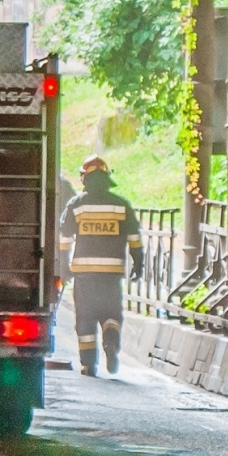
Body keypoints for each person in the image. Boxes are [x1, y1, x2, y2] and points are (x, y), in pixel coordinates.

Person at [58, 156, 143, 376]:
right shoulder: (121, 205)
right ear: (106, 179)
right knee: (111, 313)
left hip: (84, 275)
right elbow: (134, 237)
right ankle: (111, 339)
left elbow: (64, 238)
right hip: (111, 275)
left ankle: (88, 364)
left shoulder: (77, 205)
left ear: (85, 178)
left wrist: (63, 266)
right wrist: (138, 263)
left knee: (85, 319)